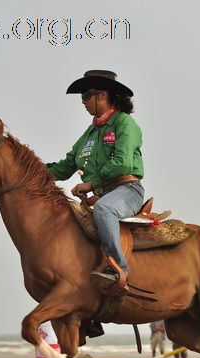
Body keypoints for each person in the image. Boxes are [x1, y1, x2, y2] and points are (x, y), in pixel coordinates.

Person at [46, 70, 145, 289]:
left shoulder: (124, 124)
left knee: (104, 210)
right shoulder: (90, 132)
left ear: (103, 95)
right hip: (104, 194)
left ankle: (117, 269)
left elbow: (123, 163)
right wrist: (29, 169)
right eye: (82, 97)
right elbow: (66, 166)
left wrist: (92, 184)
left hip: (128, 190)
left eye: (86, 96)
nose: (82, 101)